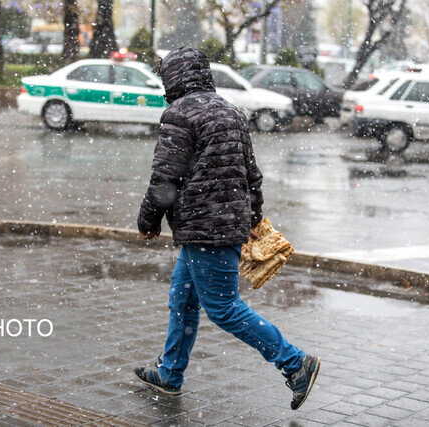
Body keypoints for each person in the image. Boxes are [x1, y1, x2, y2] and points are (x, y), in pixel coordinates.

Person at [134, 47, 320, 410]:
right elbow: (251, 173)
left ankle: (296, 363)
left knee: (223, 308)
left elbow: (165, 177)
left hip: (205, 228)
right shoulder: (231, 110)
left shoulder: (180, 113)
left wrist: (148, 220)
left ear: (173, 79)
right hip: (221, 224)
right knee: (183, 299)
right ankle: (170, 374)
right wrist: (252, 217)